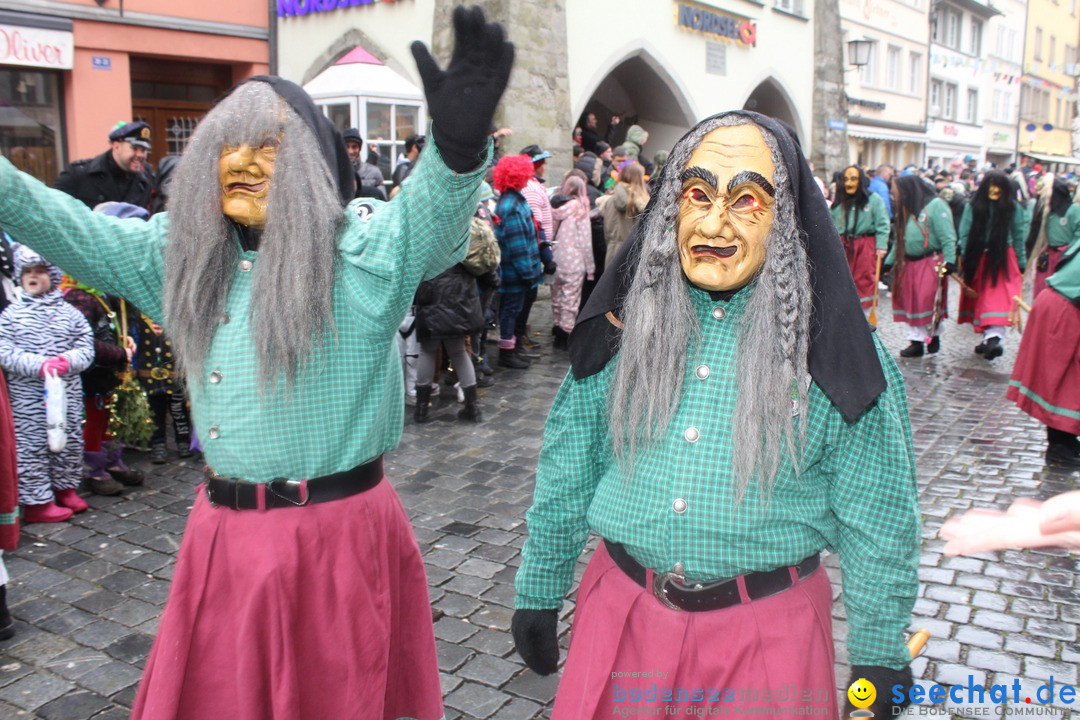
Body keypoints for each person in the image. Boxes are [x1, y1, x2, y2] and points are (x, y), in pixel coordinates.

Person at [0, 6, 512, 718]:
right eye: (226, 146)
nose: (239, 162)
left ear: (307, 164)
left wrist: (455, 152)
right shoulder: (179, 262)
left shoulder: (359, 259)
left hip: (338, 544)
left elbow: (426, 221)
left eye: (266, 146)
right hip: (225, 544)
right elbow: (65, 225)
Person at [512, 111, 919, 720]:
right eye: (696, 195)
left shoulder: (838, 359)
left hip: (767, 642)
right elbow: (568, 465)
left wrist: (880, 657)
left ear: (784, 219)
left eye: (747, 199)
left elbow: (879, 517)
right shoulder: (620, 331)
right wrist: (540, 587)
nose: (714, 223)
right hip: (623, 619)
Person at [0, 247, 94, 523]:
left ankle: (66, 487)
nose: (33, 277)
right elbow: (5, 352)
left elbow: (85, 347)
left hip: (66, 394)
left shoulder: (71, 313)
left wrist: (67, 361)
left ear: (52, 276)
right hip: (29, 397)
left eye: (39, 271)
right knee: (31, 446)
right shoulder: (11, 315)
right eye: (27, 272)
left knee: (70, 439)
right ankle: (37, 501)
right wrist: (37, 364)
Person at [61, 203, 145, 495]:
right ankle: (94, 470)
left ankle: (112, 461)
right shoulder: (79, 298)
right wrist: (120, 354)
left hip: (109, 374)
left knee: (111, 416)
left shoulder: (104, 293)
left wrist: (126, 341)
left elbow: (114, 325)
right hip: (93, 377)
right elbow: (86, 342)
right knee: (95, 421)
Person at [1005, 236, 1080, 467]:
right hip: (1064, 309)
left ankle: (1065, 443)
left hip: (1058, 304)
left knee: (1066, 380)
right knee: (1064, 381)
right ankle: (1059, 446)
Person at [957, 169, 1028, 360]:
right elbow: (1019, 235)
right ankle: (989, 338)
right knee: (985, 299)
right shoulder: (976, 206)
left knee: (997, 299)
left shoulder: (1007, 207)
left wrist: (1020, 261)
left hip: (1001, 257)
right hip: (983, 256)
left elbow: (1018, 235)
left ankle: (993, 337)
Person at [886, 175, 958, 357]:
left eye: (897, 193)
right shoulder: (905, 209)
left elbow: (948, 236)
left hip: (930, 261)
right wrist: (889, 262)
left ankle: (933, 334)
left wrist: (950, 260)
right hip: (908, 263)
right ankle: (916, 342)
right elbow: (899, 239)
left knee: (927, 300)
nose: (895, 197)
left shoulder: (936, 205)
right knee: (910, 301)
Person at [492, 154, 542, 370]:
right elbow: (517, 244)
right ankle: (507, 352)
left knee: (514, 310)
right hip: (514, 272)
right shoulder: (511, 206)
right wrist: (529, 272)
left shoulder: (515, 200)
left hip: (518, 271)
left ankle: (513, 348)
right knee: (510, 312)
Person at [53, 121, 154, 210]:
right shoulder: (79, 174)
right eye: (135, 148)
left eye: (144, 150)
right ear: (116, 147)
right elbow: (54, 210)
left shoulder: (146, 177)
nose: (140, 155)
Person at [831, 164, 890, 316]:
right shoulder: (839, 202)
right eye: (846, 179)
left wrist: (881, 245)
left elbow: (883, 224)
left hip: (865, 245)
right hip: (843, 247)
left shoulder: (874, 200)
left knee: (864, 280)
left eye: (854, 179)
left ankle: (862, 317)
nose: (849, 183)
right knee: (843, 280)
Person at [549, 174, 595, 348]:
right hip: (574, 259)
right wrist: (590, 268)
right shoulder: (580, 209)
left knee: (557, 295)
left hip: (556, 256)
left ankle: (556, 325)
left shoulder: (555, 207)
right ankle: (565, 333)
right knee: (571, 298)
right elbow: (585, 240)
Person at [1028, 177, 1080, 298]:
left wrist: (1069, 252)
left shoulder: (1074, 210)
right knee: (1042, 286)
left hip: (1065, 255)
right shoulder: (1048, 211)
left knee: (1058, 290)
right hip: (1049, 253)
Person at [598, 161, 649, 259]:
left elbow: (607, 231)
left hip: (613, 252)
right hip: (633, 253)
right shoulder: (642, 201)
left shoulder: (610, 200)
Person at [342, 127, 387, 200]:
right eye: (347, 146)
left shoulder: (374, 172)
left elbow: (382, 203)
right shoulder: (335, 172)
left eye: (354, 147)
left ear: (359, 148)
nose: (350, 151)